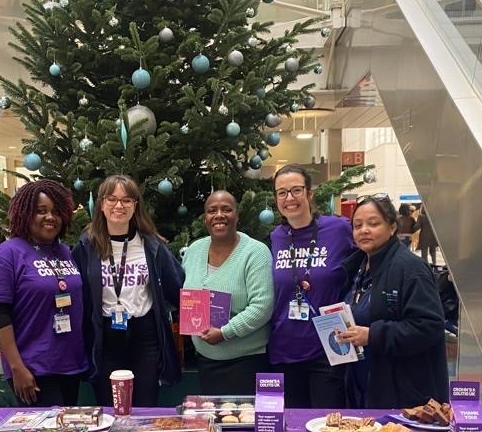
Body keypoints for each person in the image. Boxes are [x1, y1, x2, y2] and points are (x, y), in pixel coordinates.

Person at [72, 174, 184, 407]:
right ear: (101, 204)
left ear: (135, 206)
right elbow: (77, 297)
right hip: (105, 339)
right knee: (111, 406)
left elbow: (178, 288)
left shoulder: (152, 245)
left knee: (145, 406)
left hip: (145, 338)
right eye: (111, 199)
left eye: (126, 200)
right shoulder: (86, 246)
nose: (118, 206)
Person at [334, 194, 449, 408]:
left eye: (374, 223)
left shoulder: (411, 269)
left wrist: (373, 335)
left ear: (393, 227)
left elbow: (429, 326)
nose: (364, 230)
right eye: (357, 225)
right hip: (363, 386)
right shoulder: (358, 266)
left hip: (402, 395)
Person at [0, 180, 89, 406]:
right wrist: (16, 367)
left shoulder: (64, 251)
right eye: (41, 211)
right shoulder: (6, 255)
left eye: (56, 211)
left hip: (69, 363)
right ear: (25, 214)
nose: (50, 217)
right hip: (32, 367)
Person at [268, 165, 354, 409]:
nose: (289, 198)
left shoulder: (338, 229)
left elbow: (366, 263)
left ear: (310, 194)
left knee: (328, 427)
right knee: (292, 427)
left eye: (296, 190)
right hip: (284, 347)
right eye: (282, 193)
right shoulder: (277, 236)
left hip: (330, 347)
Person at [181, 191, 274, 395]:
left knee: (244, 423)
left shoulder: (255, 253)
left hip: (246, 363)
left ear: (237, 215)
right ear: (205, 218)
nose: (219, 215)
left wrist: (225, 333)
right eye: (212, 210)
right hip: (205, 362)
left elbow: (262, 307)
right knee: (213, 422)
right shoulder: (194, 251)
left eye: (227, 209)